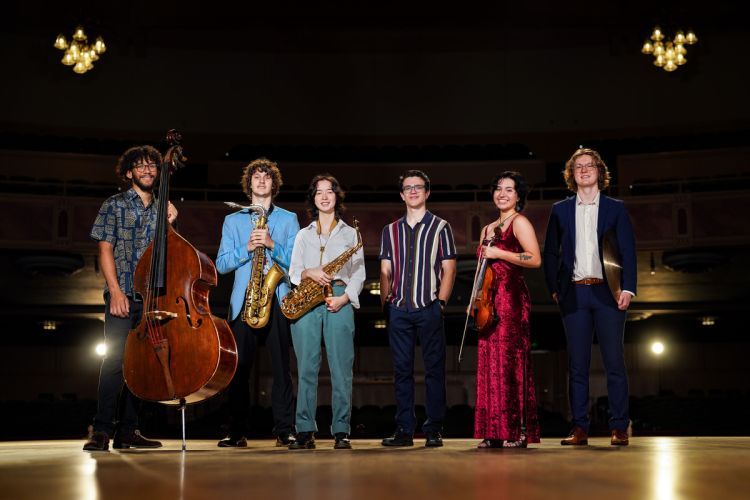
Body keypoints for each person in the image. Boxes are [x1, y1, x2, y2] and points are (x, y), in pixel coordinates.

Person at [84, 145, 177, 451]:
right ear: (128, 173)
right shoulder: (113, 204)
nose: (148, 170)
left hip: (153, 299)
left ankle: (128, 431)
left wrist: (172, 222)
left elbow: (170, 255)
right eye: (140, 166)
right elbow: (105, 249)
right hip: (122, 294)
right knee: (113, 363)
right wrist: (115, 292)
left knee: (143, 366)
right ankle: (100, 429)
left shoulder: (164, 208)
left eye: (152, 165)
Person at [543, 148, 636, 446]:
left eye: (589, 165)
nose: (584, 170)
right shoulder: (560, 209)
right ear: (572, 174)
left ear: (599, 171)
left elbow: (628, 251)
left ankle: (619, 426)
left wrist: (628, 287)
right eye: (578, 166)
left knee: (614, 362)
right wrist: (554, 287)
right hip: (575, 293)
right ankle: (579, 427)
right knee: (577, 364)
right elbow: (550, 252)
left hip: (608, 293)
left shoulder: (616, 208)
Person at [216, 158, 299, 447]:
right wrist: (248, 247)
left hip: (276, 298)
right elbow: (222, 264)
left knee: (281, 369)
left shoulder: (288, 219)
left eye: (266, 176)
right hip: (245, 301)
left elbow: (298, 265)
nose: (261, 180)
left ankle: (284, 429)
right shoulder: (233, 220)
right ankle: (237, 431)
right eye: (256, 177)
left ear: (273, 184)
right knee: (238, 370)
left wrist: (273, 246)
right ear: (249, 183)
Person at [287, 174, 366, 450]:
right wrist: (310, 272)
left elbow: (359, 273)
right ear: (313, 198)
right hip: (307, 299)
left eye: (329, 191)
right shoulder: (302, 234)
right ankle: (305, 430)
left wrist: (344, 298)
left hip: (339, 297)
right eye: (318, 192)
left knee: (341, 369)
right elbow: (294, 272)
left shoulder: (351, 234)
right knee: (306, 368)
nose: (324, 196)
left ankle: (341, 430)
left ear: (336, 196)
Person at [379, 170, 457, 448]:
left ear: (426, 192)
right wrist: (386, 304)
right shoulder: (390, 230)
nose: (413, 191)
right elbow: (385, 270)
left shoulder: (441, 227)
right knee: (401, 371)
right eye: (407, 187)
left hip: (429, 307)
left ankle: (434, 429)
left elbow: (449, 269)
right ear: (402, 194)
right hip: (399, 309)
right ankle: (404, 430)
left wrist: (441, 304)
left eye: (418, 187)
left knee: (435, 370)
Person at [473, 171, 542, 449]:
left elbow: (534, 259)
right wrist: (475, 298)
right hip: (488, 300)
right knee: (489, 365)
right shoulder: (487, 228)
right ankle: (494, 431)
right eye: (498, 188)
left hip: (512, 299)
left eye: (509, 190)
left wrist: (500, 253)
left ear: (518, 196)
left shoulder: (520, 222)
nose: (502, 194)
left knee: (510, 363)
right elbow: (482, 270)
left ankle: (517, 430)